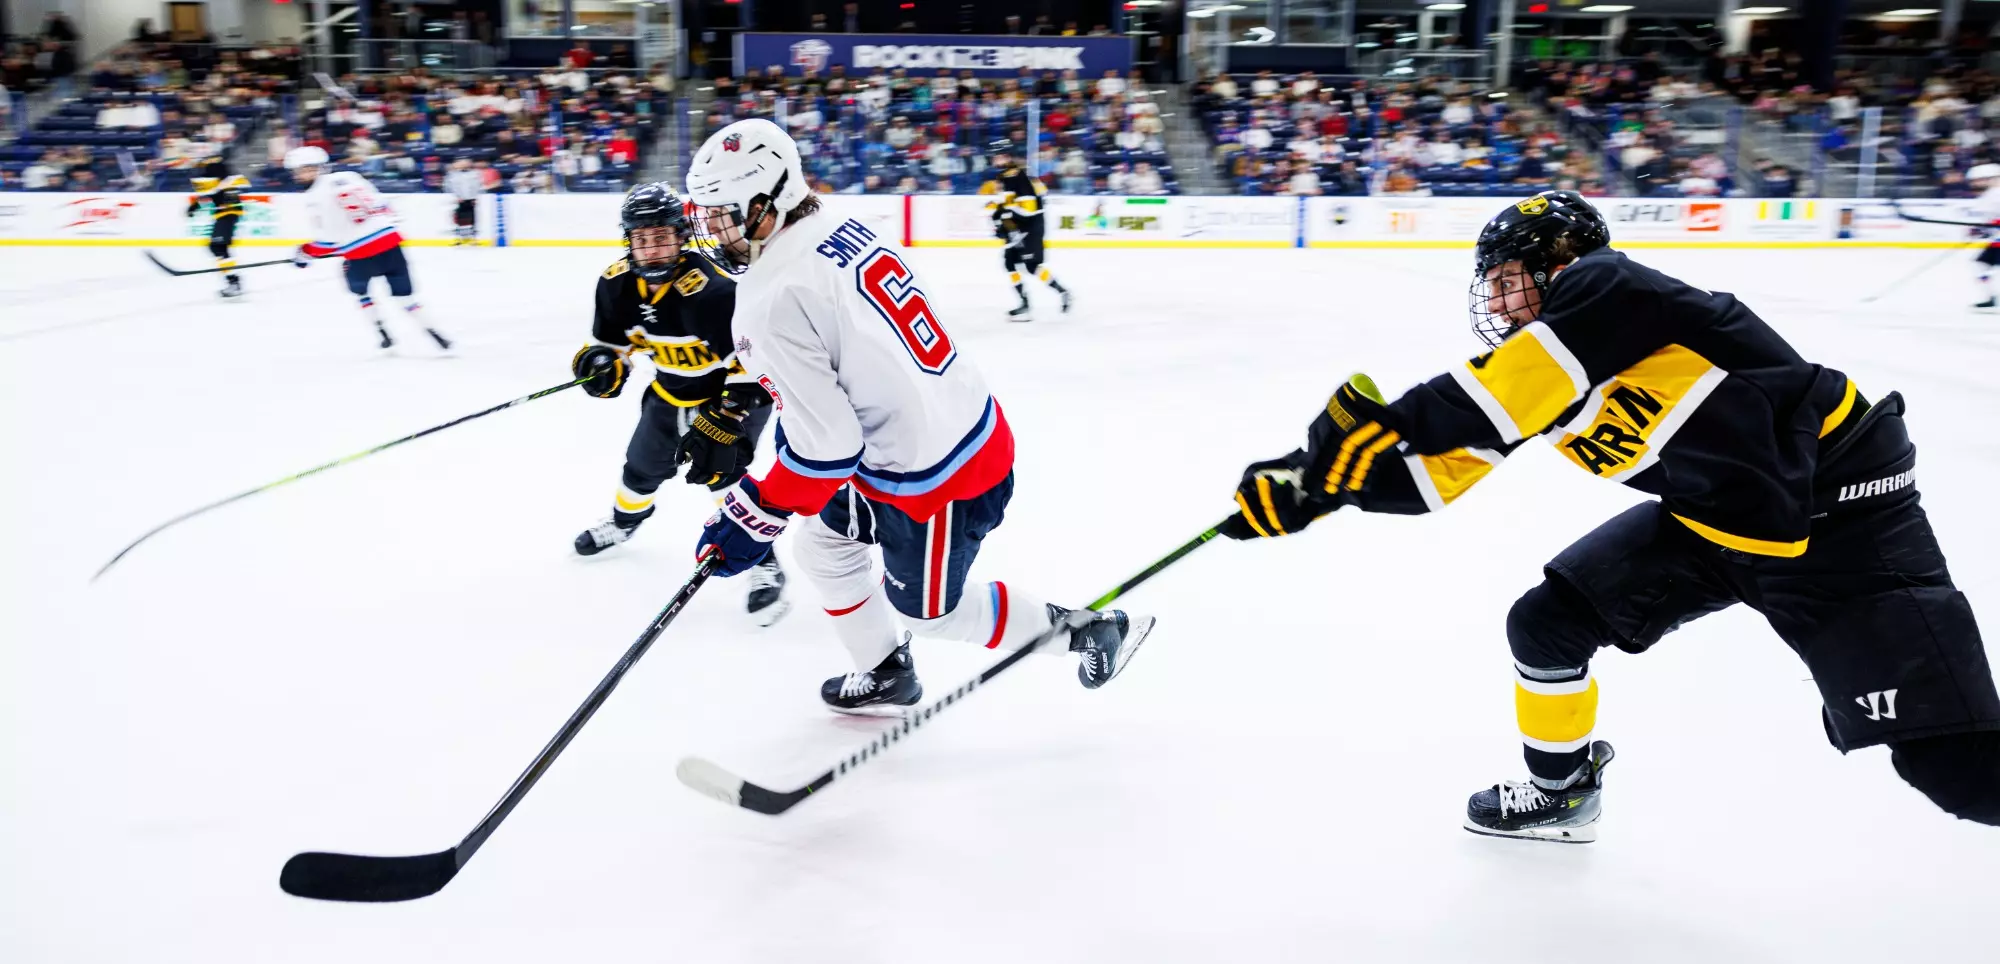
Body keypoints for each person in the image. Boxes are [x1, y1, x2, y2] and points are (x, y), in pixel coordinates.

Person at [1219, 190, 2000, 841]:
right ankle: (1562, 794)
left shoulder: (1611, 288)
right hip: (1720, 520)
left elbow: (1497, 393)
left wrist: (1383, 429)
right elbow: (1442, 472)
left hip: (1842, 520)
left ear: (1558, 263)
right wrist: (1313, 492)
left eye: (1506, 278)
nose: (1494, 300)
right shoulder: (1543, 363)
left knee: (1955, 771)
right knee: (1546, 624)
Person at [681, 118, 1152, 712]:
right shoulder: (842, 226)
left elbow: (827, 446)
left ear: (767, 200)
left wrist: (753, 513)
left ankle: (1087, 630)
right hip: (943, 431)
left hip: (932, 482)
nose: (712, 230)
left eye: (723, 213)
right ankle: (884, 672)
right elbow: (848, 360)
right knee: (823, 549)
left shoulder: (768, 299)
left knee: (930, 615)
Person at [569, 183, 791, 624]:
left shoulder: (713, 291)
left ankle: (764, 564)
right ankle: (625, 522)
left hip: (734, 396)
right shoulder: (614, 285)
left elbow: (756, 366)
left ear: (681, 237)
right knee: (640, 467)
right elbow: (607, 345)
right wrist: (599, 363)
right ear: (628, 240)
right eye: (642, 238)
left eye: (662, 237)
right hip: (671, 392)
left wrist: (727, 416)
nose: (652, 249)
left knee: (725, 481)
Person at [284, 146, 453, 352]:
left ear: (322, 168)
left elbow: (328, 242)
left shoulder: (314, 197)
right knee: (405, 298)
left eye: (308, 169)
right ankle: (433, 332)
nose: (303, 175)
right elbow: (383, 205)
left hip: (362, 256)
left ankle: (381, 330)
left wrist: (304, 253)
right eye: (300, 171)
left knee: (361, 291)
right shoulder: (351, 176)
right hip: (391, 244)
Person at [984, 149, 1072, 320]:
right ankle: (1025, 304)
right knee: (1010, 263)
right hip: (1020, 226)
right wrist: (997, 207)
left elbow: (1028, 210)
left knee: (1032, 266)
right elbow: (1010, 203)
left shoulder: (1018, 177)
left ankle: (1063, 292)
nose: (994, 160)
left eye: (998, 156)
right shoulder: (1006, 177)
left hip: (1031, 227)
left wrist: (1004, 212)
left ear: (1006, 157)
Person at [187, 157, 250, 298]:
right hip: (224, 215)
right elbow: (208, 195)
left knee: (217, 247)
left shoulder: (225, 180)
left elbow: (217, 194)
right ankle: (233, 280)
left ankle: (234, 282)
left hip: (229, 214)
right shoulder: (218, 181)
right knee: (218, 248)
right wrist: (195, 206)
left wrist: (195, 206)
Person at [1969, 163, 2000, 309]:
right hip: (1997, 240)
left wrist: (1987, 227)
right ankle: (1991, 297)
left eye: (1977, 180)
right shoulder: (1990, 195)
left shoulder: (1996, 193)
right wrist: (1980, 229)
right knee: (1980, 264)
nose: (1974, 184)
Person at [443, 158, 483, 247]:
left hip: (470, 199)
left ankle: (472, 238)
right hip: (458, 200)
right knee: (458, 219)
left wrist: (474, 197)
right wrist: (455, 196)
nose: (464, 164)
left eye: (466, 162)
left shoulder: (475, 173)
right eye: (461, 163)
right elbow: (448, 187)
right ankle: (458, 238)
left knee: (472, 218)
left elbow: (477, 186)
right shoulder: (452, 174)